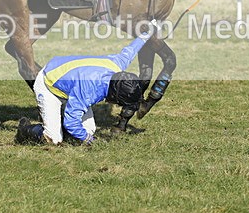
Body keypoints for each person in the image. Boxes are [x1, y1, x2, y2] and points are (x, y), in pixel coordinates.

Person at [15, 20, 158, 145]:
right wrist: (90, 141)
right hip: (48, 85)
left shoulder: (116, 66)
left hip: (66, 75)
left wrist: (147, 32)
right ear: (116, 96)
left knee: (89, 130)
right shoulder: (89, 91)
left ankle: (57, 123)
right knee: (54, 138)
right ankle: (25, 130)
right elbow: (71, 123)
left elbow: (131, 50)